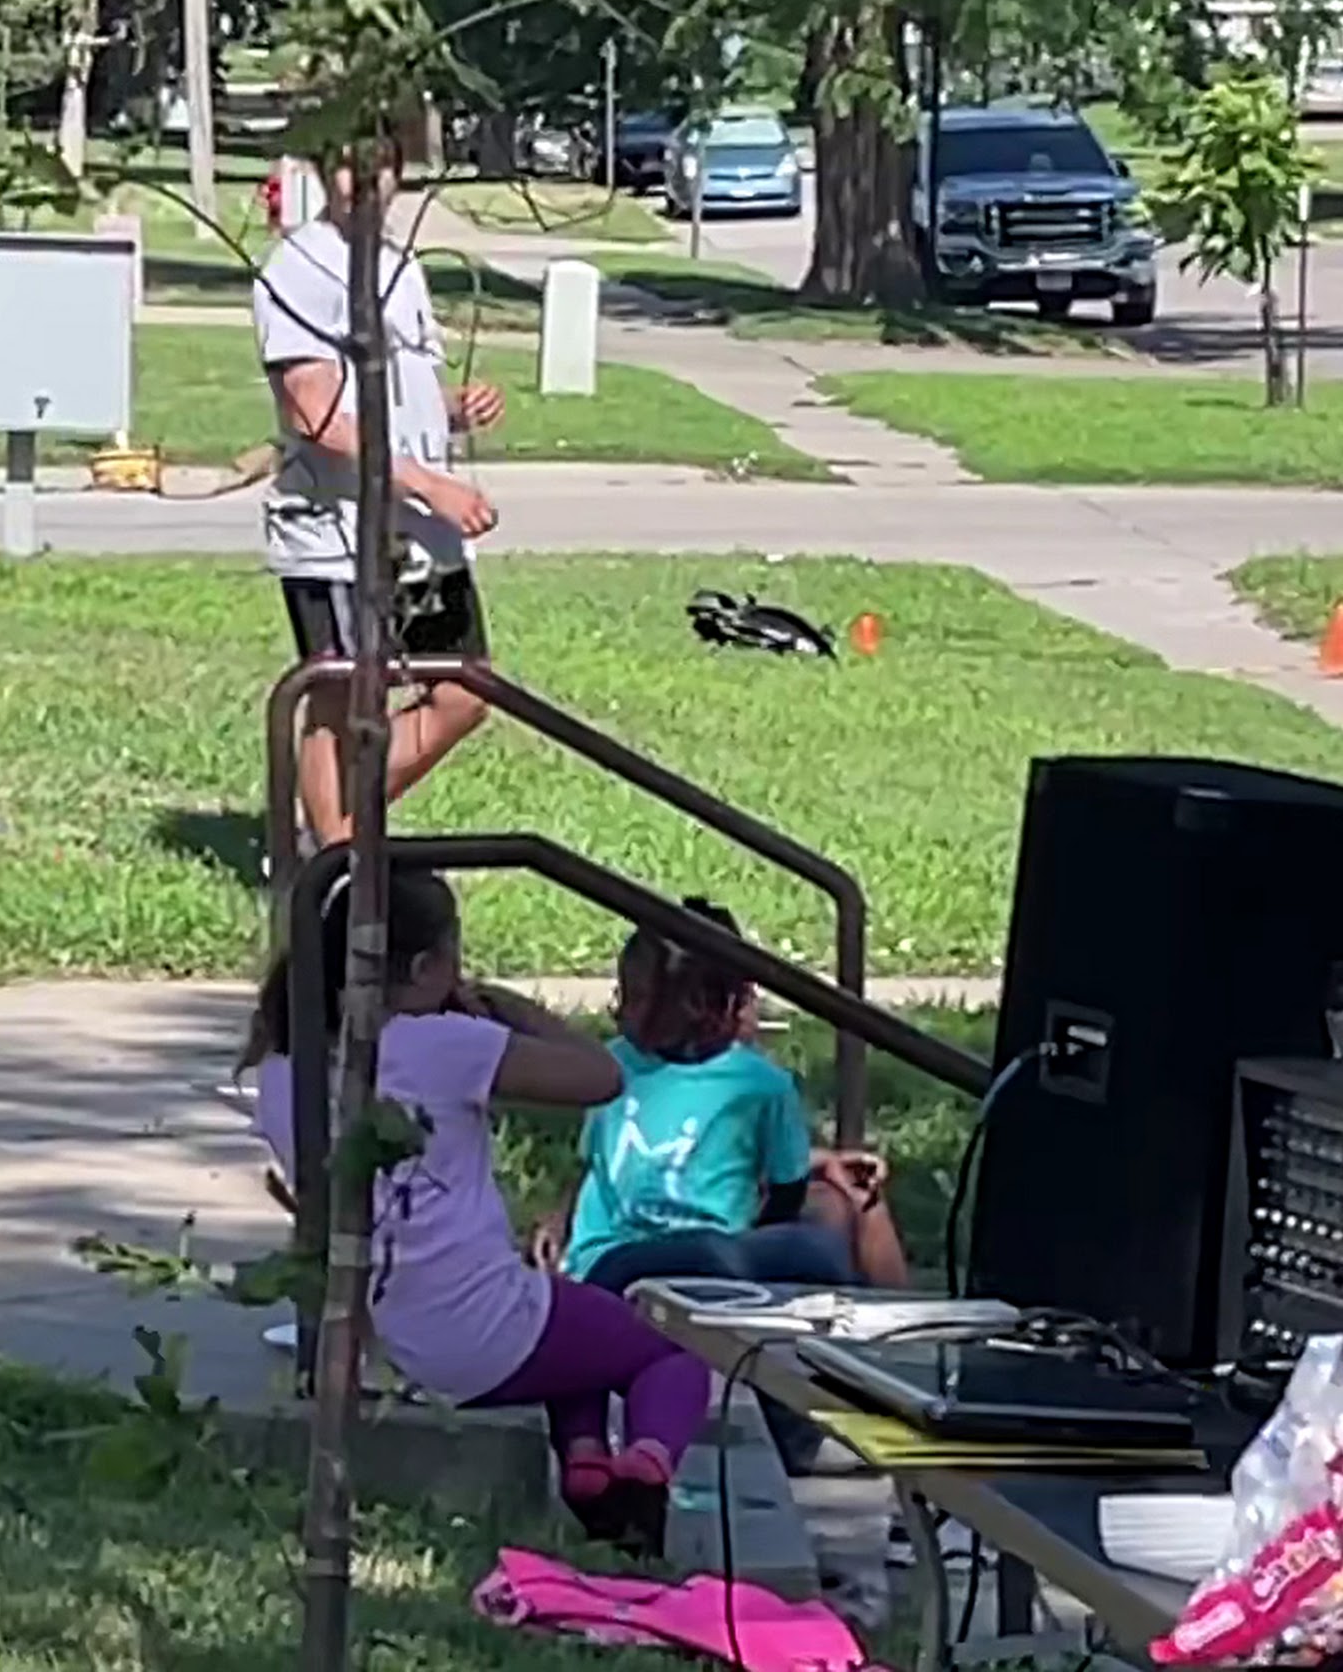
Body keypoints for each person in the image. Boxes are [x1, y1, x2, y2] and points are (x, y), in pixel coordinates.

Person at [246, 869, 711, 1555]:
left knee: (577, 1341)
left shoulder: (283, 1066)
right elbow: (602, 1077)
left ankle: (587, 1467)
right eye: (453, 955)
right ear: (423, 967)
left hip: (388, 1332)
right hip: (480, 1326)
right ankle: (646, 1471)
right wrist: (504, 1007)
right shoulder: (439, 1044)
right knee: (673, 1352)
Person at [256, 139, 506, 851]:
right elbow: (314, 414)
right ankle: (334, 863)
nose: (367, 181)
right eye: (347, 164)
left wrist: (451, 408)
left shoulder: (398, 262)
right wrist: (431, 485)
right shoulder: (300, 267)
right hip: (336, 530)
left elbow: (389, 394)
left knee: (465, 693)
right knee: (339, 696)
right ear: (319, 170)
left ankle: (332, 833)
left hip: (421, 531)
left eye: (383, 164)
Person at [541, 901, 908, 1294]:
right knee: (817, 1248)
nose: (621, 1012)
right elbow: (787, 1192)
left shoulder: (618, 1064)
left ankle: (882, 1307)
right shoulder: (756, 1082)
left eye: (637, 998)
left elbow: (601, 1166)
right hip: (671, 1266)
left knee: (822, 1229)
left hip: (627, 1265)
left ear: (700, 1004)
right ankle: (877, 1308)